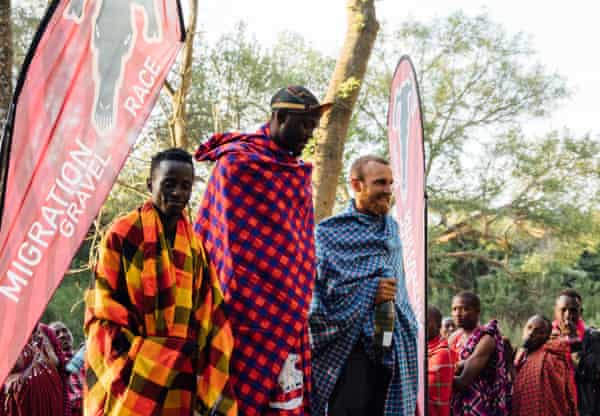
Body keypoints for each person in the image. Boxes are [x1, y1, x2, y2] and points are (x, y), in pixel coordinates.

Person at [194, 86, 331, 415]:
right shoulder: (236, 166)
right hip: (242, 317)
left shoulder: (296, 174)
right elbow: (220, 247)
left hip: (290, 311)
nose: (309, 135)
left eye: (313, 127)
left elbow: (300, 247)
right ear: (280, 117)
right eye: (304, 125)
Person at [84, 148, 236, 415]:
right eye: (169, 184)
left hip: (182, 378)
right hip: (135, 376)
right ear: (150, 184)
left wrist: (200, 355)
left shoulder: (196, 247)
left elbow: (209, 311)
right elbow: (103, 308)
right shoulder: (124, 233)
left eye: (186, 186)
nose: (178, 192)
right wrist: (155, 355)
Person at [309, 155, 418, 416]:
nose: (388, 190)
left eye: (391, 183)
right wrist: (370, 293)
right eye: (380, 182)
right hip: (349, 350)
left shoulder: (392, 230)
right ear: (356, 185)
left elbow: (400, 292)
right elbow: (316, 299)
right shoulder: (327, 234)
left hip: (394, 347)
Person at [448, 291, 511, 415]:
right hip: (455, 404)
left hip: (478, 403)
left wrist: (437, 374)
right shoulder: (454, 337)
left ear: (477, 311)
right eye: (454, 309)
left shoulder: (486, 339)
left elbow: (462, 381)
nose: (458, 314)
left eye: (465, 309)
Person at [512, 314, 577, 415]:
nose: (531, 333)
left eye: (538, 331)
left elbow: (559, 399)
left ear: (546, 337)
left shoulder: (551, 359)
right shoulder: (519, 356)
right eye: (529, 327)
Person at [552, 289, 600, 416]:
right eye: (563, 310)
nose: (568, 315)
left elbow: (587, 373)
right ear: (555, 312)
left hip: (583, 408)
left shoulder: (593, 338)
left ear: (581, 313)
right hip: (554, 405)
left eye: (573, 310)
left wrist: (574, 340)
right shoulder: (546, 337)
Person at [0, 323, 65, 415]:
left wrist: (46, 353)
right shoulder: (6, 331)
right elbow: (11, 366)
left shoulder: (45, 331)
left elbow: (59, 363)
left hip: (52, 395)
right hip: (24, 398)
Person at [50, 321, 82, 416]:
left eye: (65, 331)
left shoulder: (84, 355)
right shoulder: (52, 365)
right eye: (56, 333)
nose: (62, 335)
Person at [427, 306, 453, 416]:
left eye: (427, 321)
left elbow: (426, 387)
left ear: (438, 326)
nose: (422, 325)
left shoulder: (441, 353)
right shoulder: (424, 348)